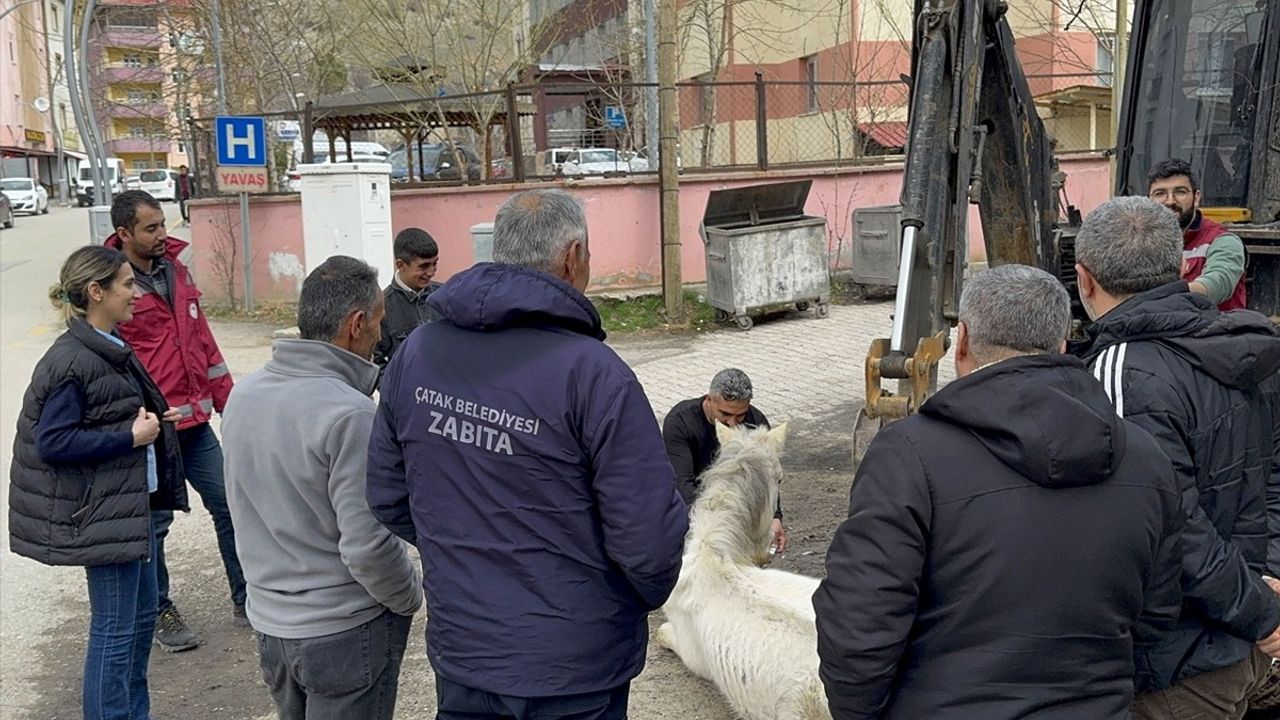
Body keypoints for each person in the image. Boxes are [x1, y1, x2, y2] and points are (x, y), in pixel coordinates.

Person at [367, 189, 687, 720]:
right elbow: (648, 540)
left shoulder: (417, 354)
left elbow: (386, 492)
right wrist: (616, 599)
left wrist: (464, 552)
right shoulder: (595, 374)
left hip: (467, 650)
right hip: (573, 665)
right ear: (573, 256)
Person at [813, 263, 1184, 719]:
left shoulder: (907, 455)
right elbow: (1156, 614)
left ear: (962, 341)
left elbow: (859, 624)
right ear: (1063, 344)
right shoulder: (1145, 457)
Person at [1071, 196, 1280, 718]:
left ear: (1084, 279)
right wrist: (1269, 583)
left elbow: (1163, 521)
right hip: (1242, 646)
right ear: (1182, 266)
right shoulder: (1248, 347)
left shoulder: (1118, 370)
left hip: (1172, 667)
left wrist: (1262, 613)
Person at [223, 256, 422, 720]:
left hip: (272, 628)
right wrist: (410, 595)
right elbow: (368, 548)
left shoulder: (244, 395)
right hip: (343, 631)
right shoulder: (349, 414)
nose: (380, 335)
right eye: (377, 322)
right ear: (356, 325)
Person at [9, 245, 188, 720]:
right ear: (96, 291)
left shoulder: (106, 345)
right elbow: (54, 442)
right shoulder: (71, 359)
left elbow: (106, 409)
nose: (136, 293)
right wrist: (130, 436)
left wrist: (152, 419)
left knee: (138, 623)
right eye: (127, 285)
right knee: (114, 631)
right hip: (104, 518)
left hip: (133, 510)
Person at [104, 190, 245, 652]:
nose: (163, 234)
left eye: (163, 224)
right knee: (155, 523)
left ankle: (248, 598)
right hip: (151, 429)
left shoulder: (176, 271)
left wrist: (228, 401)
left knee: (230, 503)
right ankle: (159, 609)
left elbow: (201, 339)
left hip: (196, 423)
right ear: (124, 234)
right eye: (151, 228)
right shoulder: (110, 284)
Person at [663, 368, 787, 552]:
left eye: (741, 415)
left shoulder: (756, 421)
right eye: (725, 414)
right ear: (709, 400)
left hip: (738, 507)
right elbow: (682, 483)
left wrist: (775, 517)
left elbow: (767, 476)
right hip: (692, 505)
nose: (733, 423)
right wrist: (716, 524)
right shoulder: (680, 422)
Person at [1147, 158, 1248, 310]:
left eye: (1180, 192)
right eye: (1160, 193)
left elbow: (1217, 285)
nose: (1170, 201)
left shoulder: (1223, 241)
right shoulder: (1141, 242)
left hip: (1216, 331)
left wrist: (1156, 296)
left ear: (1196, 197)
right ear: (1149, 200)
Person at [372, 227, 443, 369]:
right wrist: (393, 389)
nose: (431, 272)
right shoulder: (383, 307)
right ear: (401, 265)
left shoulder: (445, 295)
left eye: (435, 263)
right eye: (424, 266)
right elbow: (376, 363)